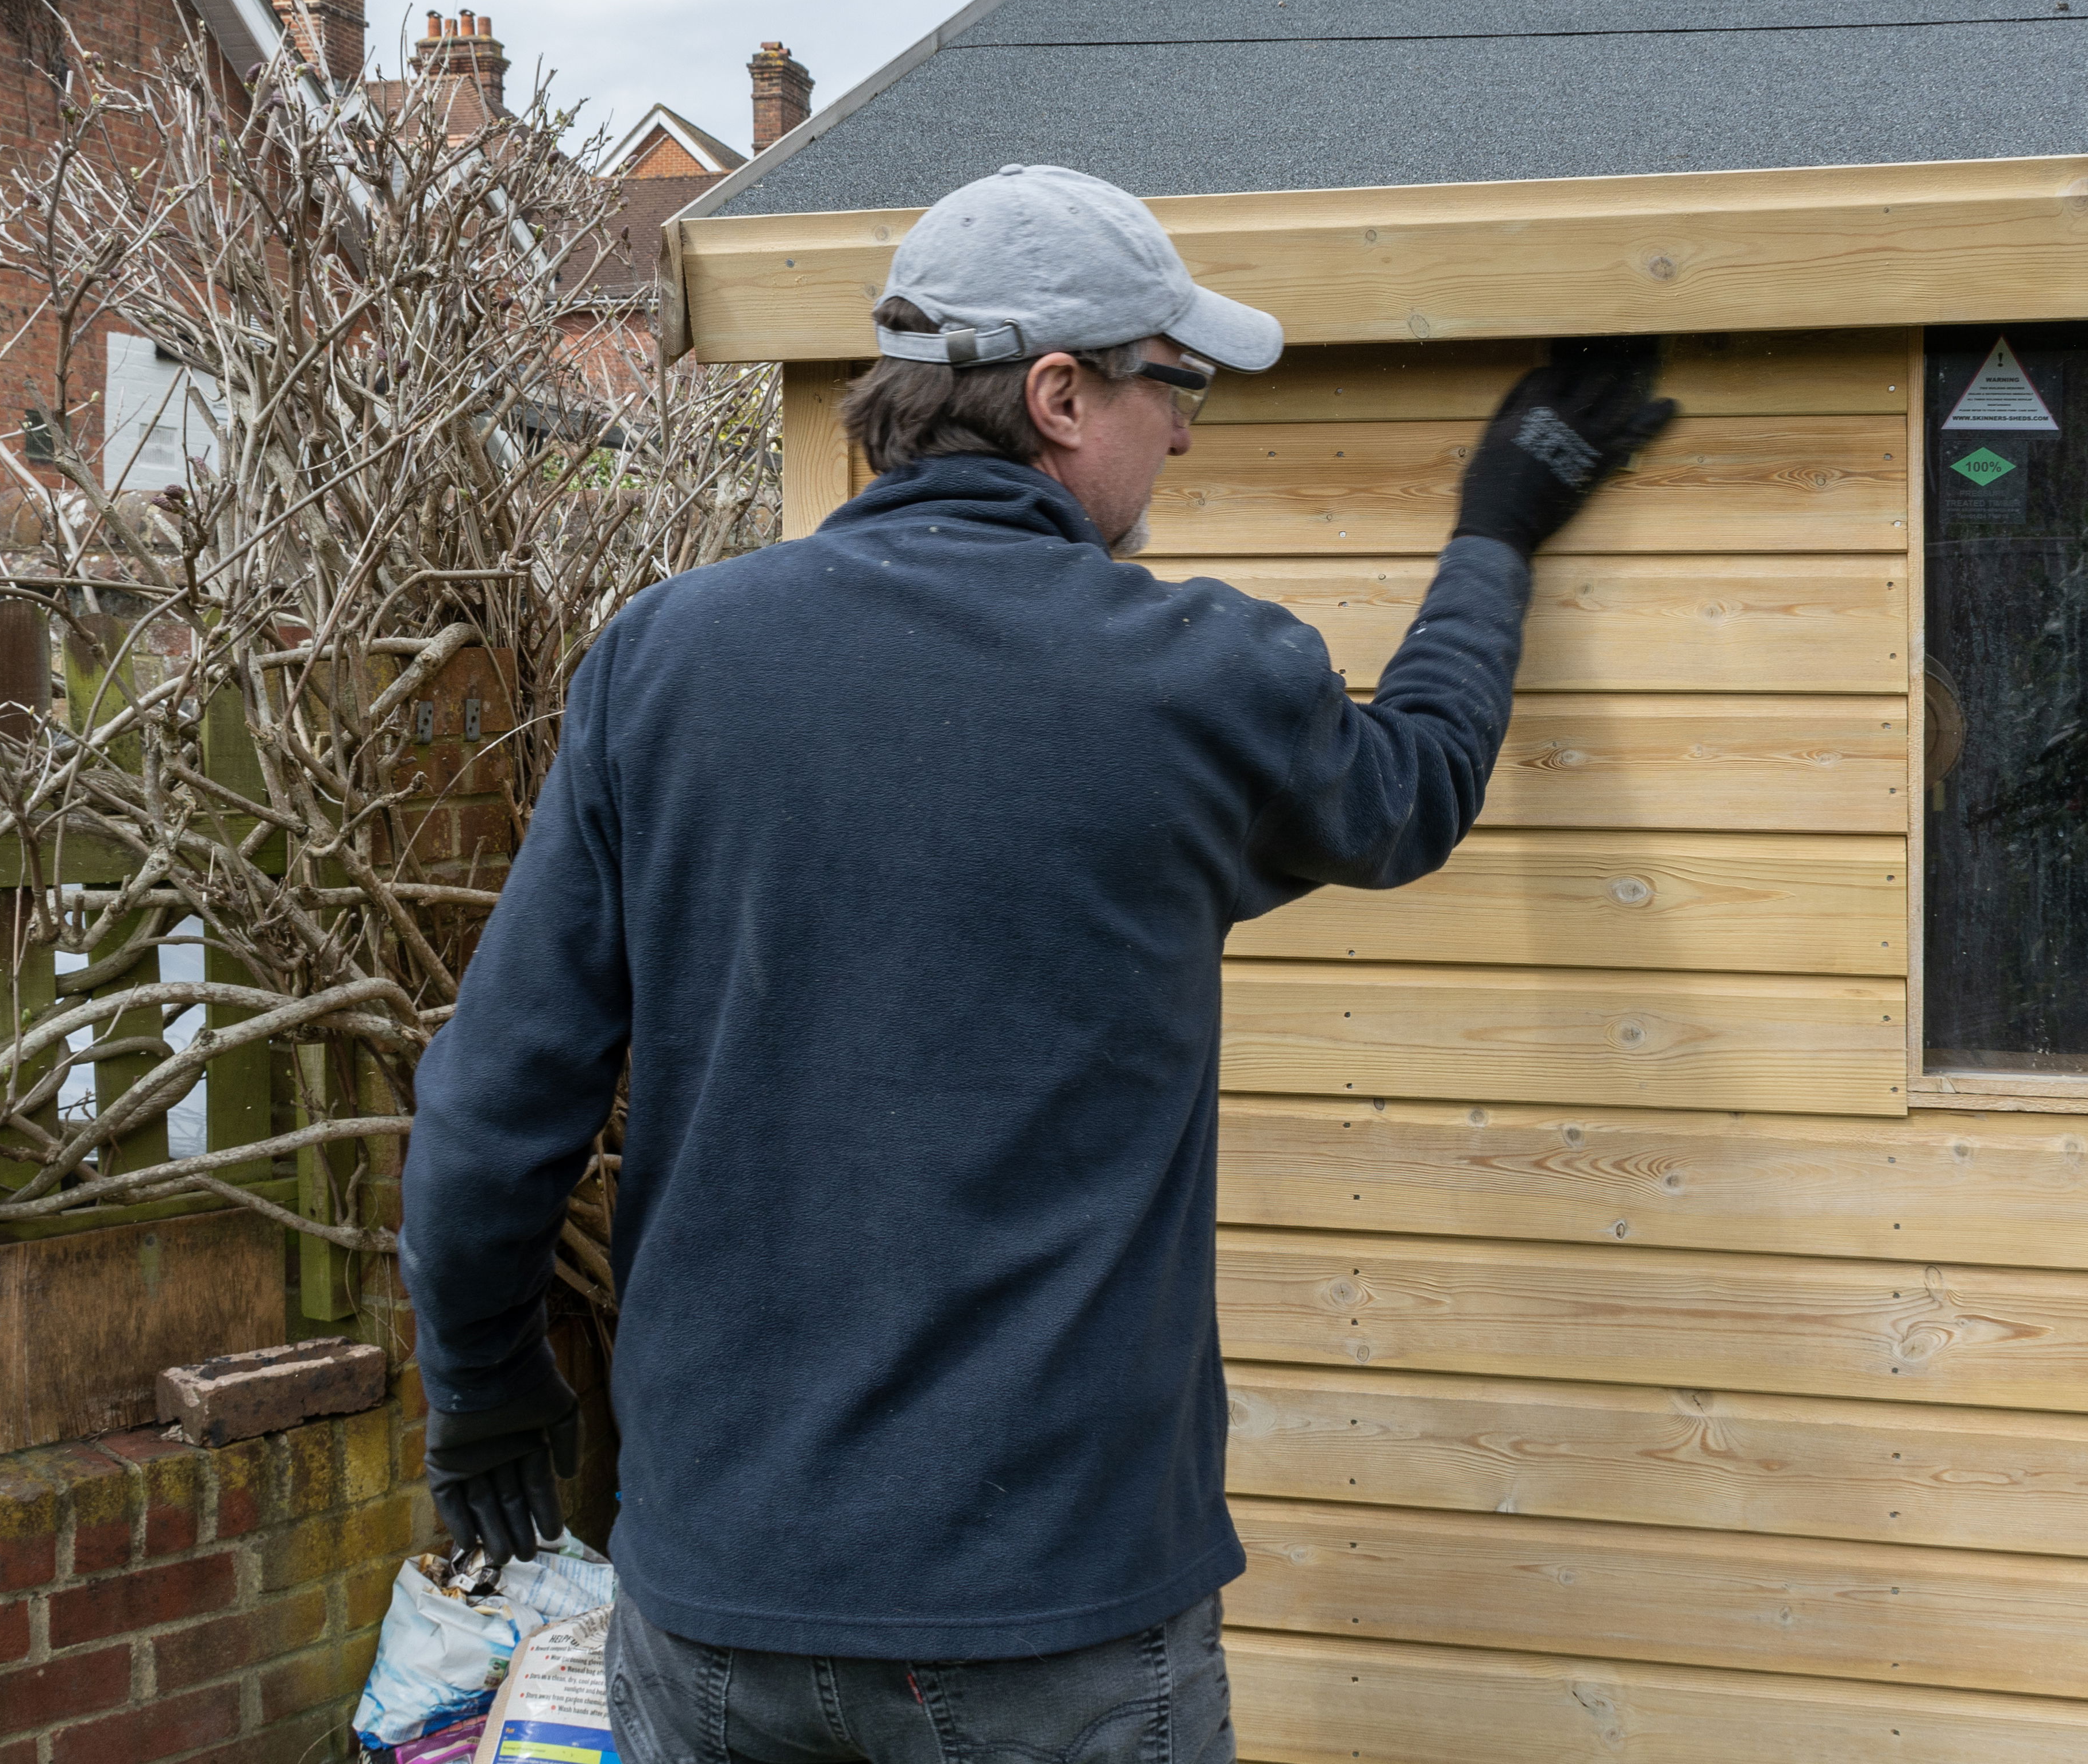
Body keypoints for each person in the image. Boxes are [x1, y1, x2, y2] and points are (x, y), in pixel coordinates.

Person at [401, 162, 1673, 1764]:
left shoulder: (663, 665)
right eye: (1176, 382)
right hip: (1054, 1628)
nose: (1193, 429)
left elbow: (492, 1105)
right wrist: (1498, 525)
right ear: (1062, 395)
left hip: (718, 1606)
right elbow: (1411, 786)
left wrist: (486, 1387)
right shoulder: (1194, 680)